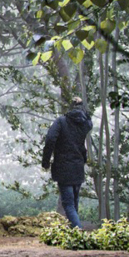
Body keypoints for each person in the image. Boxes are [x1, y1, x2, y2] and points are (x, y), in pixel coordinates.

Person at [42, 97, 93, 228]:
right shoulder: (85, 124)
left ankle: (78, 232)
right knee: (74, 203)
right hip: (78, 166)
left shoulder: (61, 122)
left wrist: (46, 162)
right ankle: (74, 233)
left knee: (68, 204)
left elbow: (50, 139)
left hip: (63, 167)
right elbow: (87, 118)